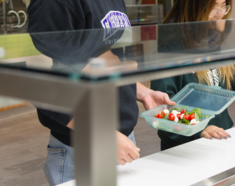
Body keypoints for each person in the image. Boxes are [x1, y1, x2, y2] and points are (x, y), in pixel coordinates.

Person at [27, 0, 175, 185]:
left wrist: (141, 91)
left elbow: (106, 59)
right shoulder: (53, 4)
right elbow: (36, 84)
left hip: (122, 141)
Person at [151, 0, 235, 151]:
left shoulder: (211, 32)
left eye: (224, 6)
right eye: (214, 7)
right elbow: (163, 105)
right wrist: (199, 128)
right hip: (186, 144)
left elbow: (215, 81)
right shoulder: (169, 44)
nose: (220, 14)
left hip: (219, 134)